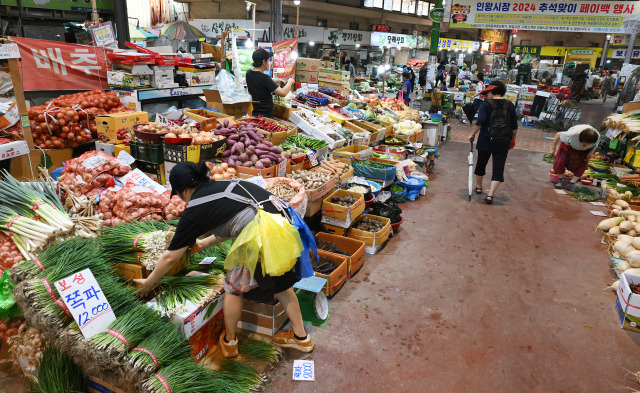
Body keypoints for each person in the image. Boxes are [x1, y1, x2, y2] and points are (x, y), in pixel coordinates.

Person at [133, 162, 314, 358]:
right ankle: (301, 338)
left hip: (258, 234)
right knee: (282, 285)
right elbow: (234, 222)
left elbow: (170, 256)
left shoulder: (195, 208)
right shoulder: (228, 185)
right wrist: (203, 244)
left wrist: (149, 283)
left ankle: (230, 342)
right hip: (281, 227)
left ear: (183, 190)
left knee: (234, 289)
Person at [468, 81, 518, 204]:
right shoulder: (510, 105)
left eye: (488, 92)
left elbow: (480, 122)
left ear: (492, 91)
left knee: (481, 163)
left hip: (486, 139)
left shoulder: (486, 104)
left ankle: (479, 187)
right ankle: (490, 195)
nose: (486, 95)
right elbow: (514, 127)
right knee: (498, 167)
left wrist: (472, 134)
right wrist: (513, 140)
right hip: (504, 140)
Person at [245, 48, 295, 118]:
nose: (269, 62)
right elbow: (283, 93)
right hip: (265, 115)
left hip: (254, 112)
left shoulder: (249, 73)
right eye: (268, 60)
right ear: (263, 61)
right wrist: (290, 81)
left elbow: (260, 80)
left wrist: (277, 80)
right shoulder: (264, 77)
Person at [549, 125, 599, 191]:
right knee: (561, 161)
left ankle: (571, 183)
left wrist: (591, 152)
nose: (585, 145)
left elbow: (596, 144)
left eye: (588, 144)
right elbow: (558, 135)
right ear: (580, 139)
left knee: (583, 164)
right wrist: (553, 148)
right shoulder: (573, 134)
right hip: (568, 145)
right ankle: (561, 181)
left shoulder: (596, 137)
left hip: (584, 151)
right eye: (584, 144)